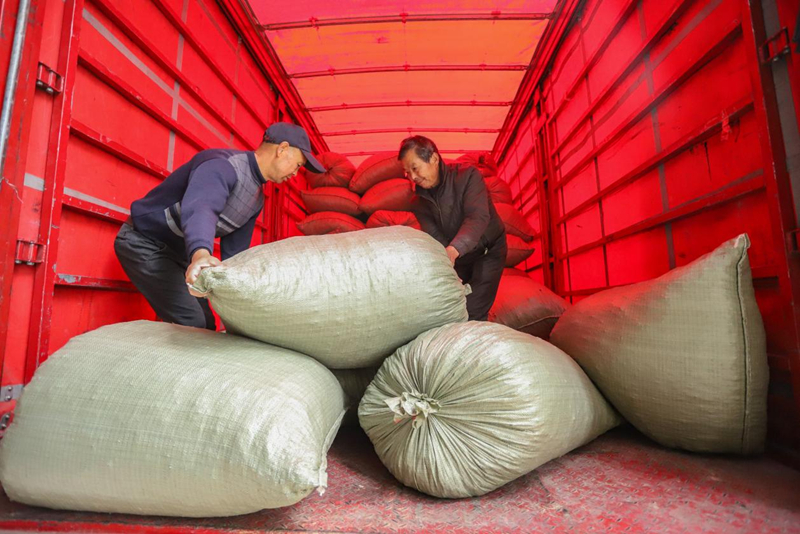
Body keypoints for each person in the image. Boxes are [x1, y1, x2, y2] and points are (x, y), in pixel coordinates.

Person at [115, 123, 324, 330]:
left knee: (207, 324)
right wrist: (200, 254)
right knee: (193, 324)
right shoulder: (222, 165)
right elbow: (201, 208)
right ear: (282, 149)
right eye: (297, 165)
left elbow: (235, 256)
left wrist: (240, 310)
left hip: (178, 257)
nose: (296, 174)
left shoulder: (256, 199)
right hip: (143, 243)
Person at [399, 136, 507, 321]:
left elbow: (477, 217)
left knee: (472, 311)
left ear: (433, 158)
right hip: (460, 258)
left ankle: (474, 345)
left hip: (488, 251)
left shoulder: (468, 177)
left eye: (415, 168)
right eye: (407, 173)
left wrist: (453, 251)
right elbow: (436, 236)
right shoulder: (418, 202)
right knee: (445, 306)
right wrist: (447, 267)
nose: (413, 177)